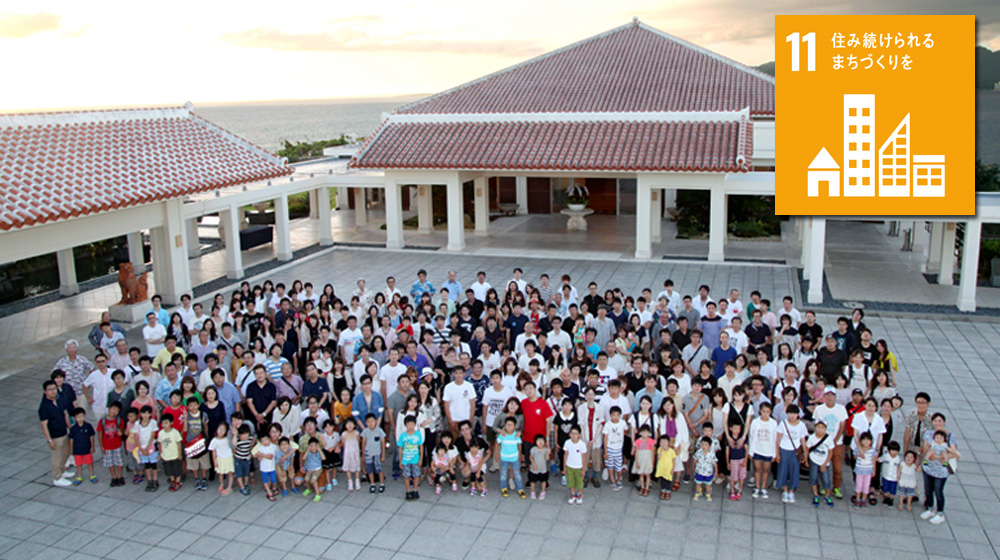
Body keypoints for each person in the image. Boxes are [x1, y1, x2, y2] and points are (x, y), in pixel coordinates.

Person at [39, 380, 74, 487]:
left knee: (67, 452)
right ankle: (57, 477)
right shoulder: (44, 407)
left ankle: (62, 471)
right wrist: (49, 440)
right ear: (45, 392)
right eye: (49, 389)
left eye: (54, 389)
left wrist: (70, 428)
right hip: (55, 436)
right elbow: (44, 425)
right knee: (57, 457)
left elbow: (65, 415)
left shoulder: (60, 400)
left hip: (64, 432)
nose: (52, 391)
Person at [775, 404, 808, 504]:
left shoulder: (801, 425)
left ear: (798, 414)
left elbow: (803, 440)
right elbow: (778, 439)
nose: (792, 416)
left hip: (795, 451)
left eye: (794, 413)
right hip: (784, 449)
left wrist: (805, 453)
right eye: (790, 413)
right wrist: (777, 453)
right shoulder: (783, 424)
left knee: (794, 471)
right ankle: (785, 490)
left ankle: (792, 490)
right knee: (783, 470)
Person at [748, 401, 777, 499]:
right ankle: (757, 486)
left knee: (766, 470)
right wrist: (751, 451)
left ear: (770, 412)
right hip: (757, 449)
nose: (765, 414)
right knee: (757, 469)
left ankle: (763, 487)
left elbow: (774, 438)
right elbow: (752, 437)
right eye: (763, 411)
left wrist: (774, 453)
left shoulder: (773, 423)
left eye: (767, 412)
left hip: (768, 450)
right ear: (760, 411)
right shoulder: (755, 422)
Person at [496, 416, 526, 499]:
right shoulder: (502, 435)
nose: (509, 427)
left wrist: (520, 455)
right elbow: (497, 444)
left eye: (511, 425)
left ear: (514, 426)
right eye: (507, 424)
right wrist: (497, 454)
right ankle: (504, 488)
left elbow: (519, 445)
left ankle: (520, 489)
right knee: (503, 474)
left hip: (514, 458)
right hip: (504, 458)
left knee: (517, 474)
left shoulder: (516, 435)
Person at [807, 420, 835, 507]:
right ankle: (815, 495)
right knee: (813, 478)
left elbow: (830, 452)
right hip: (814, 460)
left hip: (824, 462)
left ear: (825, 429)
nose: (820, 430)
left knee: (826, 480)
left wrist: (825, 464)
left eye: (822, 428)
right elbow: (808, 449)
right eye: (818, 427)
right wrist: (806, 460)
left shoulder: (828, 439)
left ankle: (827, 496)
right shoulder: (811, 438)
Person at [97, 401, 126, 487]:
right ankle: (114, 477)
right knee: (110, 463)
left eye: (117, 411)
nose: (114, 412)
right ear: (109, 409)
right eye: (113, 409)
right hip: (107, 446)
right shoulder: (102, 421)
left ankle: (120, 476)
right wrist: (101, 446)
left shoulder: (119, 420)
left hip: (117, 445)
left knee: (119, 462)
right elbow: (100, 434)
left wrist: (121, 432)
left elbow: (122, 430)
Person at [131, 405, 159, 492]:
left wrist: (148, 447)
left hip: (151, 447)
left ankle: (155, 480)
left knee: (153, 465)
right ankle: (149, 481)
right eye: (144, 413)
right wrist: (140, 448)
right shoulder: (137, 424)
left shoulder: (153, 422)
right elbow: (136, 437)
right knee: (147, 466)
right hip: (142, 448)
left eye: (147, 413)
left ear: (150, 414)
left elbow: (152, 435)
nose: (145, 415)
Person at [602, 406, 629, 491]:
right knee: (610, 466)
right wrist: (605, 451)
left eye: (617, 415)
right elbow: (605, 438)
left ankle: (619, 479)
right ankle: (613, 481)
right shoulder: (608, 425)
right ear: (610, 415)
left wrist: (621, 435)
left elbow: (626, 430)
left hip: (618, 448)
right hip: (610, 448)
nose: (615, 417)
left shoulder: (622, 423)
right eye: (613, 415)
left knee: (619, 466)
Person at [398, 415, 425, 501]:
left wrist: (421, 459)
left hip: (415, 459)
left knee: (416, 475)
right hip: (406, 460)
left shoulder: (418, 434)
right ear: (405, 425)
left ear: (415, 424)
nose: (410, 426)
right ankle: (408, 491)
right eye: (408, 424)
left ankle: (415, 490)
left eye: (412, 424)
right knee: (406, 476)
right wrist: (400, 460)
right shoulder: (403, 435)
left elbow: (421, 447)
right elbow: (400, 448)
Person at [68, 407, 97, 485]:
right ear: (74, 418)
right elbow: (71, 439)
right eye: (78, 417)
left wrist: (92, 447)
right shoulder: (73, 429)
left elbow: (91, 437)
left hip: (87, 449)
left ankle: (92, 475)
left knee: (89, 463)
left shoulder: (88, 426)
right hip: (77, 450)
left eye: (82, 416)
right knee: (78, 464)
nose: (80, 418)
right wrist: (71, 449)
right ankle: (79, 476)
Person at [361, 413, 387, 494]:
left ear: (375, 421)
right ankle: (372, 484)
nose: (370, 423)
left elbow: (383, 443)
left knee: (379, 469)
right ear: (366, 423)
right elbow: (363, 443)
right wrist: (363, 455)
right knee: (370, 470)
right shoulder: (365, 431)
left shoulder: (379, 431)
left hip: (377, 454)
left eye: (372, 421)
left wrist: (383, 455)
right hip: (368, 454)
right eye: (368, 422)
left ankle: (381, 484)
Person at [157, 413, 183, 491]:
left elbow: (179, 443)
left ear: (171, 423)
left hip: (174, 455)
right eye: (163, 423)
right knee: (168, 469)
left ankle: (178, 481)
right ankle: (172, 480)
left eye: (166, 423)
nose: (164, 425)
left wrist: (179, 454)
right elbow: (160, 443)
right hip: (166, 455)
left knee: (177, 469)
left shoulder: (175, 432)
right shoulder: (161, 433)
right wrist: (160, 453)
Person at [852, 432, 877, 509]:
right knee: (859, 485)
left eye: (868, 440)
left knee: (866, 486)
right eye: (864, 440)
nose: (866, 441)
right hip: (859, 471)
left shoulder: (872, 450)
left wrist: (874, 470)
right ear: (861, 441)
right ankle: (858, 499)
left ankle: (863, 500)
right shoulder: (858, 449)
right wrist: (860, 452)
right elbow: (854, 457)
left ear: (871, 441)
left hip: (868, 471)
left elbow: (874, 461)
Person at [691, 436, 718, 502]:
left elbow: (715, 463)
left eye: (706, 445)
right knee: (698, 483)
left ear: (709, 446)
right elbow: (695, 460)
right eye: (702, 444)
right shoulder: (699, 452)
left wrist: (716, 472)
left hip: (708, 472)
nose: (703, 446)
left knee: (708, 484)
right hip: (699, 471)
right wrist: (693, 466)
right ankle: (697, 493)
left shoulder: (711, 453)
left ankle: (708, 494)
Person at [253, 434, 279, 501]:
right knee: (265, 481)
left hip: (272, 467)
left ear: (269, 439)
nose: (265, 442)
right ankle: (269, 493)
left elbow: (277, 453)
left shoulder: (274, 447)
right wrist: (265, 456)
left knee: (273, 480)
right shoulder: (260, 448)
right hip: (264, 468)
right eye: (262, 441)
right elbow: (258, 457)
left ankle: (274, 488)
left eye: (266, 440)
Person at [300, 437, 326, 503]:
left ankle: (318, 494)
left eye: (315, 446)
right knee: (306, 479)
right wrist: (308, 450)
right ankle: (308, 489)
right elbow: (303, 458)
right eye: (311, 446)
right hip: (310, 469)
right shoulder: (309, 453)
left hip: (317, 469)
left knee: (313, 480)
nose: (313, 447)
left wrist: (319, 450)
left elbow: (323, 458)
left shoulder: (318, 453)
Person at [726, 421, 747, 501]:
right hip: (733, 460)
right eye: (735, 428)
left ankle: (739, 491)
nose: (737, 430)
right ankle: (732, 491)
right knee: (733, 477)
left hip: (742, 459)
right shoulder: (729, 439)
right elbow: (727, 451)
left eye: (738, 428)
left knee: (742, 476)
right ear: (731, 429)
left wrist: (745, 461)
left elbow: (746, 449)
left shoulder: (742, 438)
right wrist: (728, 462)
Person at [341, 418, 363, 491]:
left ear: (354, 425)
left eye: (351, 424)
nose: (350, 425)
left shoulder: (357, 433)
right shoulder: (344, 434)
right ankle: (350, 481)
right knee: (348, 467)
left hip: (355, 452)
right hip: (348, 453)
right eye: (348, 424)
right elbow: (343, 444)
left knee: (357, 466)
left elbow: (358, 441)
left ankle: (357, 480)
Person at [879, 441, 902, 507]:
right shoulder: (885, 456)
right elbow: (880, 460)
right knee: (885, 488)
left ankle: (891, 499)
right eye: (892, 450)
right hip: (885, 476)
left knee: (893, 490)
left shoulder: (898, 459)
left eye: (896, 451)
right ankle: (885, 498)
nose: (894, 452)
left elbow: (900, 468)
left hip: (894, 478)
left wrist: (898, 477)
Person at [233, 424, 254, 496]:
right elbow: (234, 444)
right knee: (239, 474)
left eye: (246, 434)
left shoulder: (250, 439)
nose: (244, 436)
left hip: (247, 459)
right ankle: (242, 487)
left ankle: (245, 484)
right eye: (242, 434)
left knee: (246, 473)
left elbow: (255, 440)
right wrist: (235, 435)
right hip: (238, 459)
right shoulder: (238, 441)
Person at [528, 434, 550, 500]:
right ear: (535, 442)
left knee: (543, 481)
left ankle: (543, 492)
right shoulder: (533, 449)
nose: (540, 442)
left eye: (542, 441)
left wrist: (548, 453)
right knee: (532, 481)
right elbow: (531, 457)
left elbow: (547, 459)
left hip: (543, 469)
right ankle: (532, 492)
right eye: (538, 441)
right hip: (534, 468)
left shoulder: (545, 449)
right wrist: (534, 464)